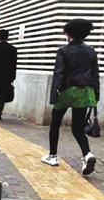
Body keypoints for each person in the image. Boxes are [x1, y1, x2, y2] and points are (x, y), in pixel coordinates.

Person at [41, 18, 99, 175]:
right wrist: (96, 96)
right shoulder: (91, 51)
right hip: (86, 92)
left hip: (67, 91)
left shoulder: (63, 51)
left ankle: (52, 156)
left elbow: (59, 75)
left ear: (68, 33)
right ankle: (88, 154)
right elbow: (95, 75)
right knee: (78, 128)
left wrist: (54, 96)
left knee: (55, 123)